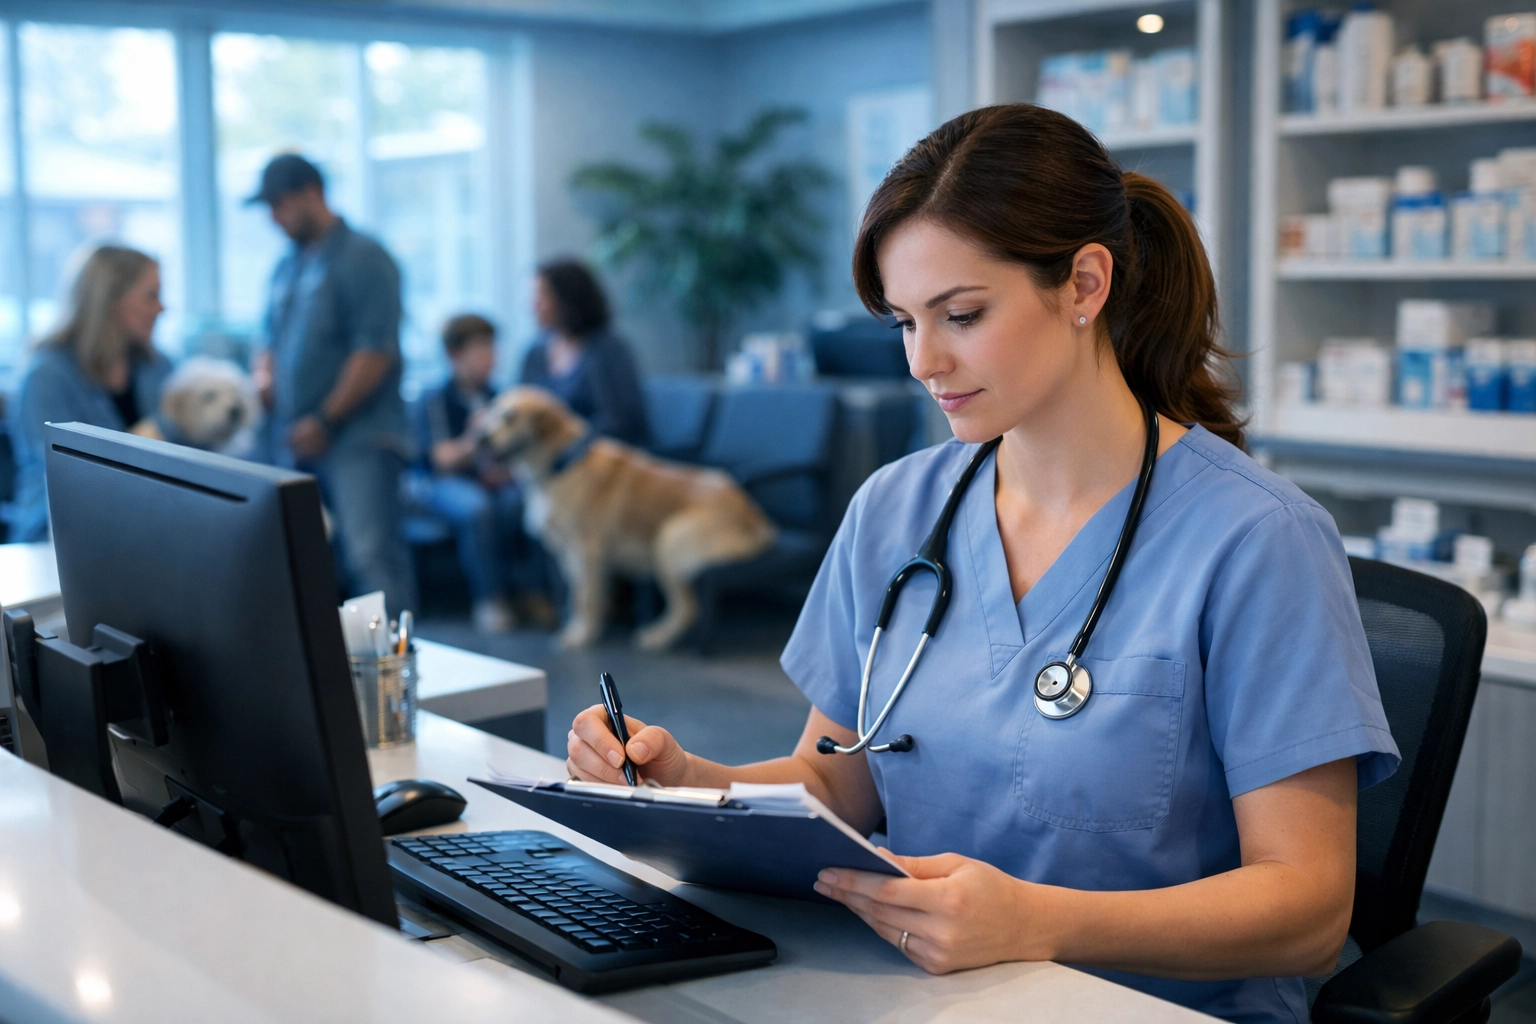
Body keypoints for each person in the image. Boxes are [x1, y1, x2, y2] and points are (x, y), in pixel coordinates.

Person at [565, 104, 1399, 1024]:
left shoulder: (1257, 540)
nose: (926, 361)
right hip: (921, 996)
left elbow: (1310, 913)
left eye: (961, 314)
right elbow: (842, 780)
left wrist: (1038, 923)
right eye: (904, 323)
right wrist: (688, 779)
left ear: (1084, 284)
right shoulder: (896, 508)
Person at [248, 154, 417, 616]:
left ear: (311, 194)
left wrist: (326, 418)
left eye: (280, 205)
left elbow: (374, 350)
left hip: (357, 438)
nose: (273, 218)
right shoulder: (288, 265)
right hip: (295, 439)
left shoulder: (363, 257)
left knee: (371, 559)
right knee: (310, 563)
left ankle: (393, 677)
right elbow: (271, 340)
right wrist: (263, 382)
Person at [5, 245, 172, 542]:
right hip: (58, 540)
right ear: (111, 301)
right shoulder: (47, 377)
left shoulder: (157, 367)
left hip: (141, 533)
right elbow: (76, 478)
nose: (162, 308)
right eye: (151, 296)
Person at [409, 314, 526, 633]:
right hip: (437, 484)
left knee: (518, 501)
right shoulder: (433, 398)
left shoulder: (497, 395)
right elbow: (441, 459)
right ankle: (490, 599)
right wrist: (476, 438)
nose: (491, 358)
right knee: (477, 507)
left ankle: (529, 593)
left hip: (488, 479)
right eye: (481, 350)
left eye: (492, 349)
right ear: (454, 355)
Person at [519, 259, 649, 447]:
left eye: (541, 297)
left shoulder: (607, 350)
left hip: (600, 460)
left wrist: (560, 442)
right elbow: (519, 408)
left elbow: (620, 422)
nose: (533, 307)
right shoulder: (535, 352)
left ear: (567, 300)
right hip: (546, 464)